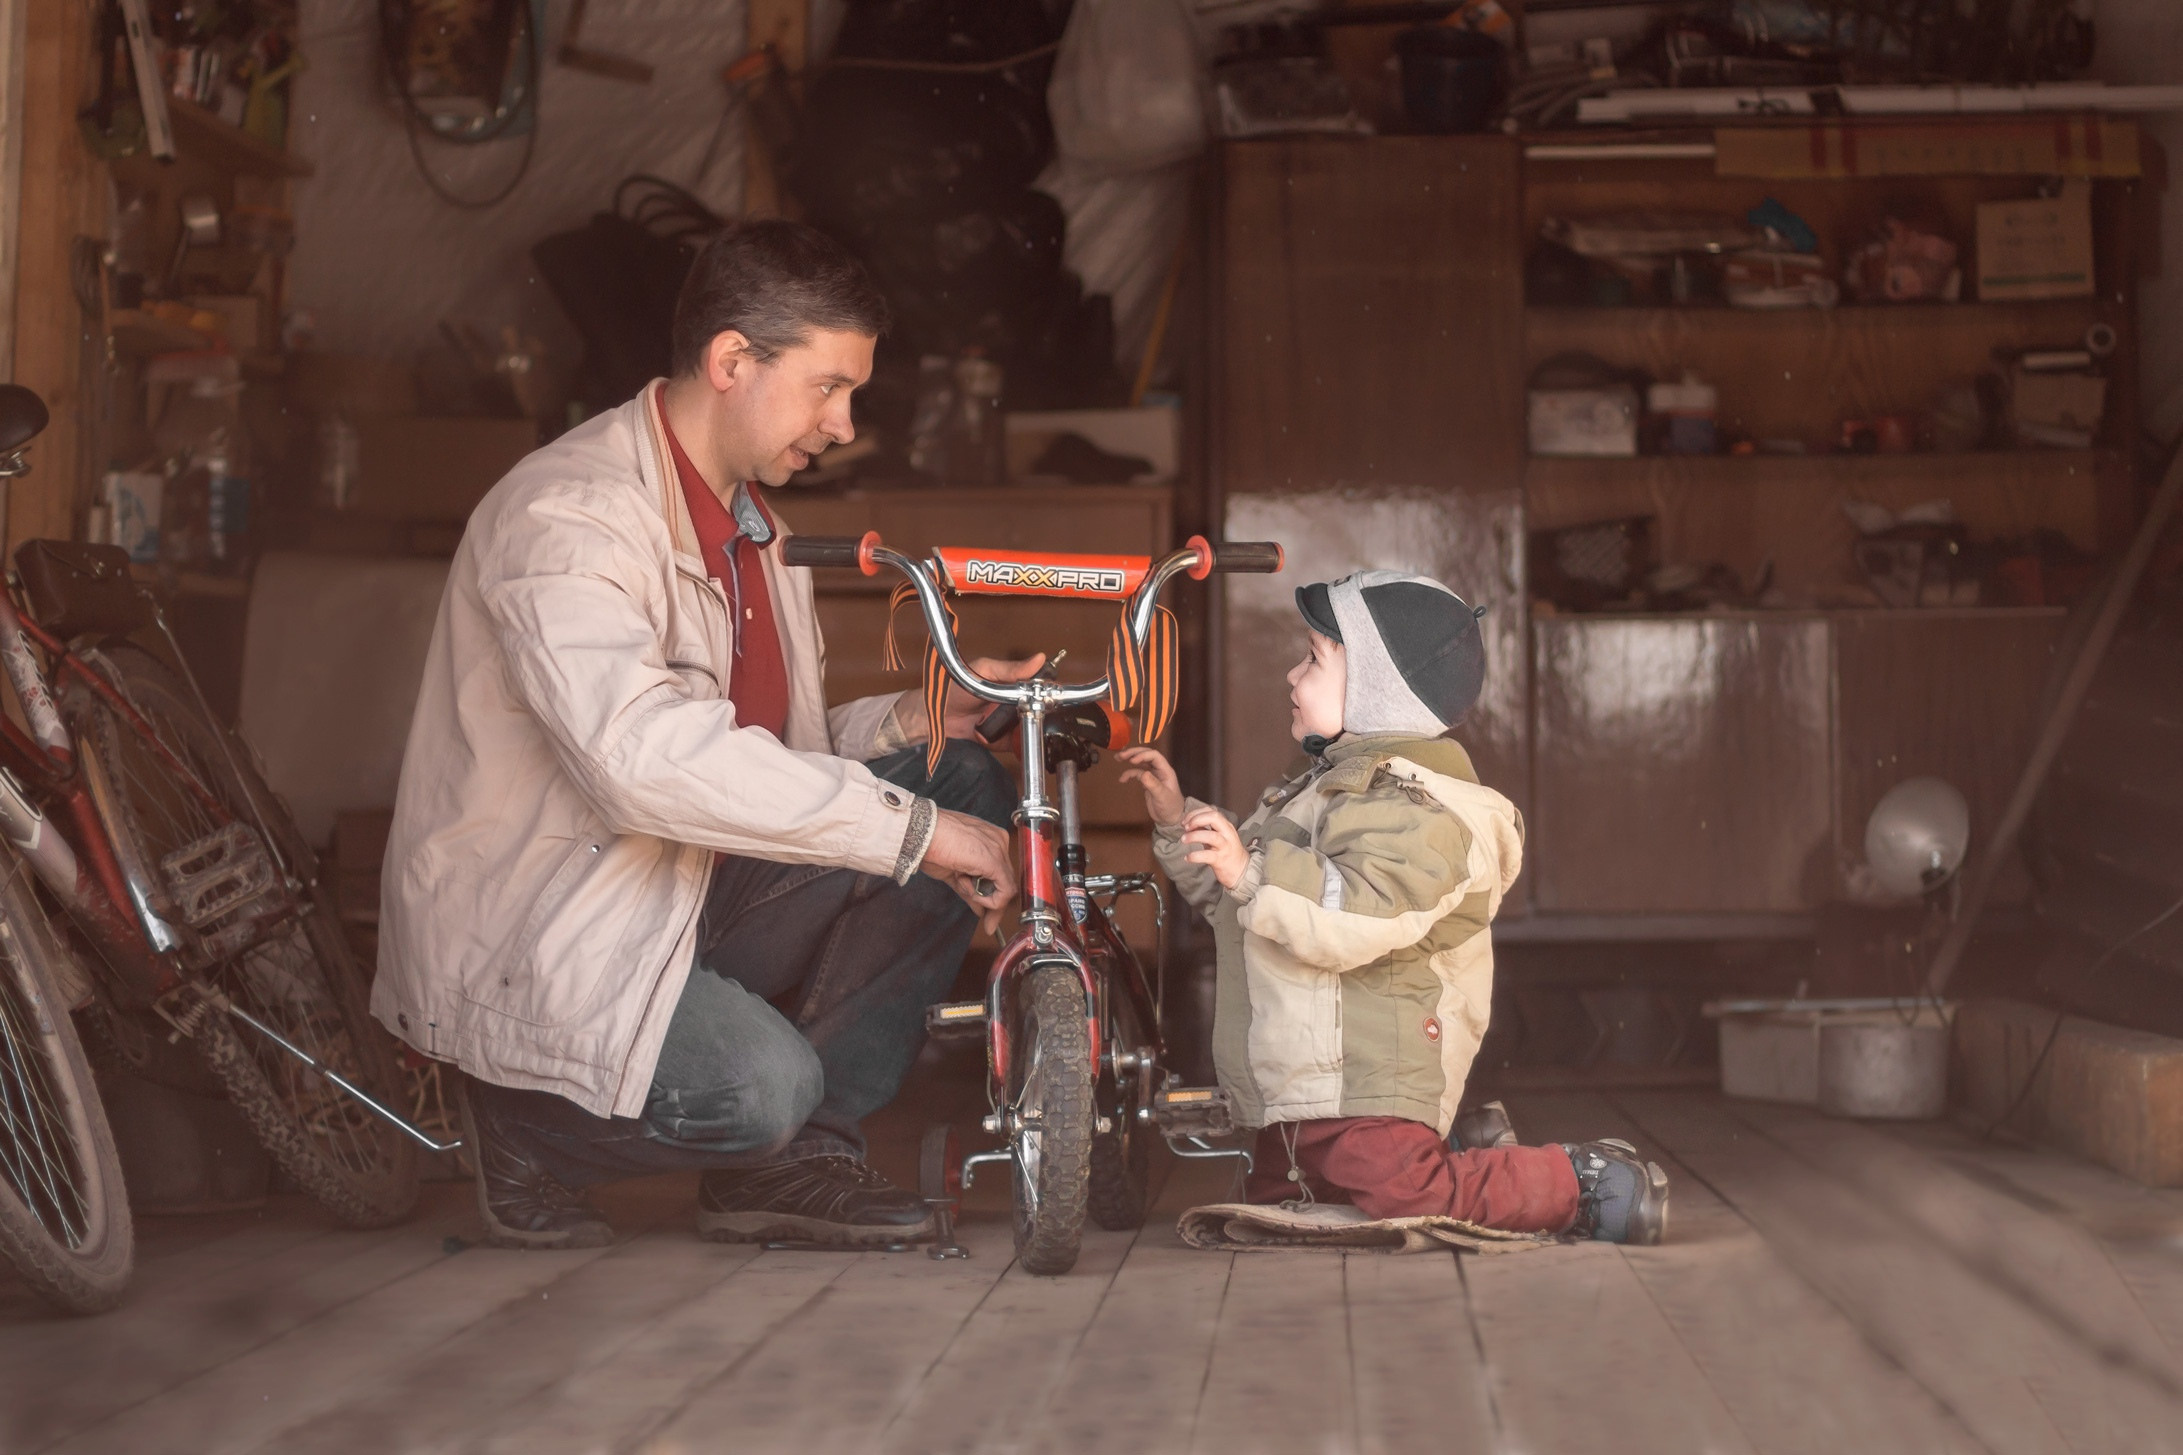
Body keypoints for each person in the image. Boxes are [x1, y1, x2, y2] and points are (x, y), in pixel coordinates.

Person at [373, 221, 1040, 1250]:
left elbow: (774, 750)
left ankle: (796, 1164)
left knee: (961, 781)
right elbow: (644, 761)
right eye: (827, 387)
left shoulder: (754, 531)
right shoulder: (568, 516)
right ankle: (523, 1127)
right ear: (732, 361)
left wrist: (917, 722)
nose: (846, 422)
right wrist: (914, 835)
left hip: (687, 892)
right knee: (753, 1090)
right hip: (558, 930)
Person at [1118, 570, 1669, 1244]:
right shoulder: (1315, 795)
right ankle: (1469, 1145)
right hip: (1299, 1091)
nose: (1292, 676)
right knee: (1272, 1203)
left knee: (1402, 1191)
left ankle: (1575, 1182)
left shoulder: (1422, 815)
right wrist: (1181, 824)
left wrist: (1248, 867)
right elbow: (1247, 907)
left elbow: (1349, 915)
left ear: (1379, 694)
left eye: (1314, 660)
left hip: (1370, 1075)